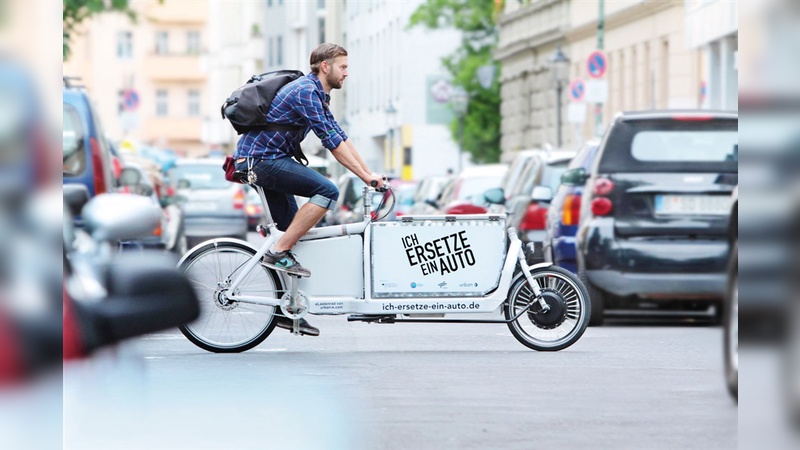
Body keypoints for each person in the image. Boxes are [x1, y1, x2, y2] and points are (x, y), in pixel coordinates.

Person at [233, 43, 385, 336]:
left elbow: (341, 136)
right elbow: (332, 144)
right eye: (343, 67)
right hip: (262, 161)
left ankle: (287, 310)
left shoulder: (317, 93)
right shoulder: (305, 91)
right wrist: (365, 178)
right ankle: (278, 250)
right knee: (327, 191)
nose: (347, 73)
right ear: (325, 67)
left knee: (293, 234)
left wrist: (369, 174)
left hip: (267, 160)